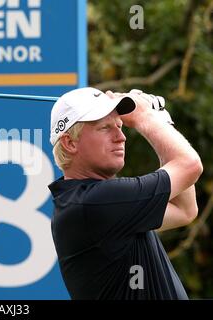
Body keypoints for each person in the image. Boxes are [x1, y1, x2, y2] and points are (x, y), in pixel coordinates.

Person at [48, 87, 203, 300]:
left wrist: (160, 118)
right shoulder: (97, 202)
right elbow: (189, 166)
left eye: (120, 126)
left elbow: (184, 209)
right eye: (105, 128)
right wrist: (145, 116)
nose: (121, 137)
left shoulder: (96, 203)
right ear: (70, 143)